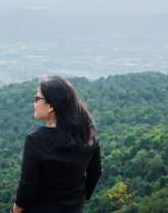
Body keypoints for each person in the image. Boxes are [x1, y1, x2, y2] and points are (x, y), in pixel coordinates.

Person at [11, 75, 102, 213]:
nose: (34, 103)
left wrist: (14, 212)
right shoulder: (88, 135)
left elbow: (27, 187)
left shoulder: (36, 140)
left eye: (37, 99)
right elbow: (95, 172)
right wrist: (81, 199)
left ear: (51, 106)